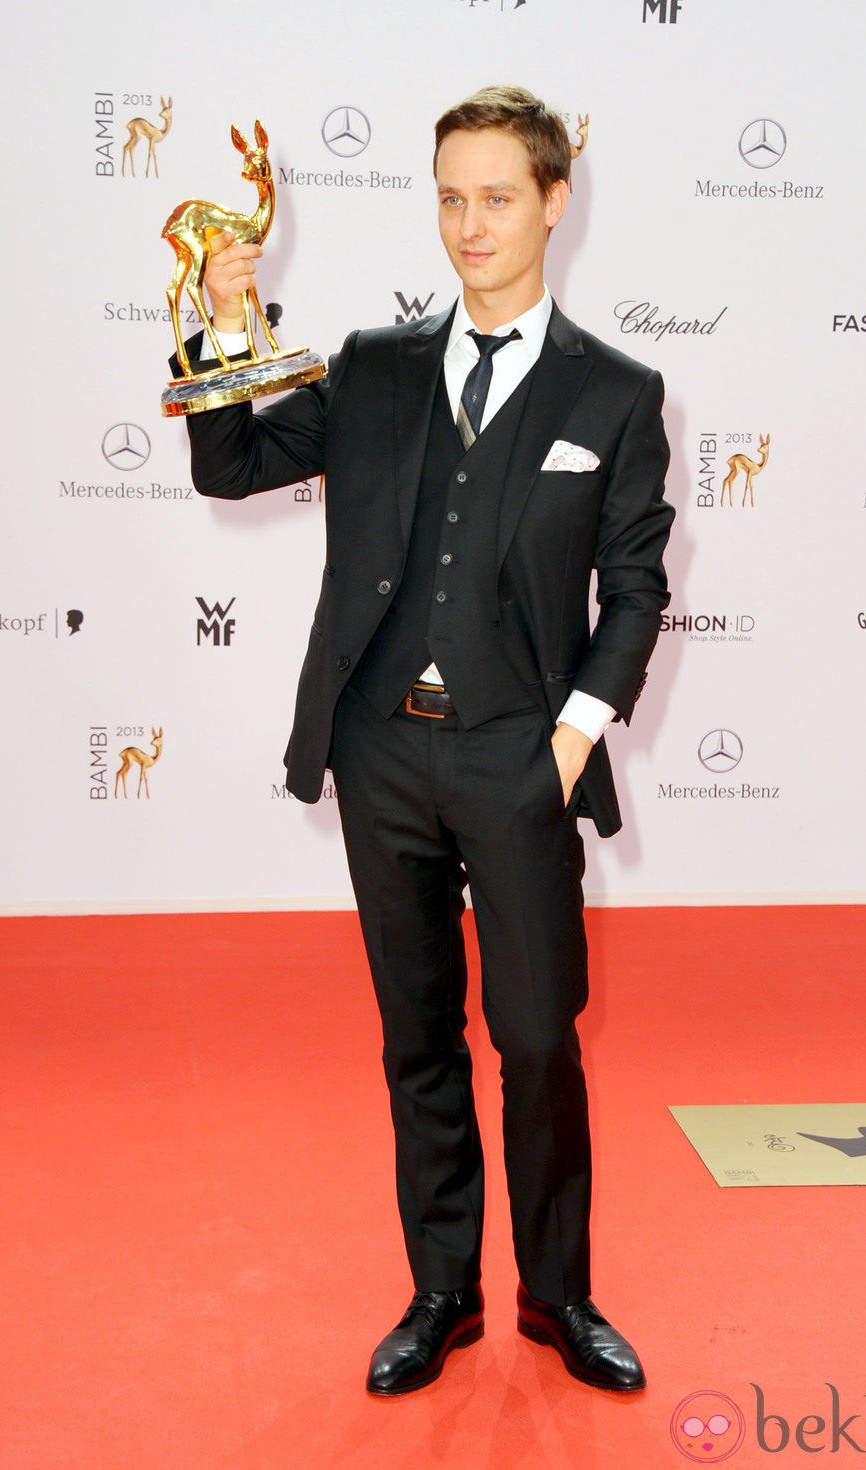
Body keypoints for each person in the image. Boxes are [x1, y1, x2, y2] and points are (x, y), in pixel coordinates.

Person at [178, 85, 674, 1396]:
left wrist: (572, 739)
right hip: (383, 753)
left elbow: (636, 589)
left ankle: (556, 1296)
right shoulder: (375, 373)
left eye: (497, 197)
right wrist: (231, 317)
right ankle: (442, 1290)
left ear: (555, 203)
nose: (469, 224)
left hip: (521, 757)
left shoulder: (616, 395)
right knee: (417, 1039)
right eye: (450, 196)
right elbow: (229, 464)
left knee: (536, 1039)